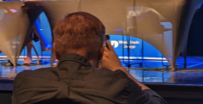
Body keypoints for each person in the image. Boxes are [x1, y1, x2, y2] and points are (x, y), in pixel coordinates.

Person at [12, 12, 167, 104]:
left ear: (57, 51)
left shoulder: (25, 83)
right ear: (102, 51)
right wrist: (120, 69)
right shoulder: (119, 84)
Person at [2, 0, 52, 64]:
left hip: (27, 21)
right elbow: (5, 8)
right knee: (28, 18)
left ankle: (29, 55)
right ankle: (43, 41)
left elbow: (39, 5)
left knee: (29, 18)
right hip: (13, 21)